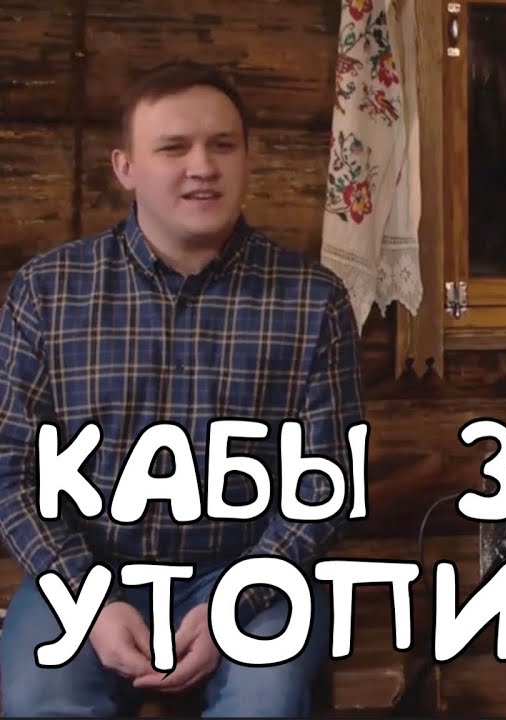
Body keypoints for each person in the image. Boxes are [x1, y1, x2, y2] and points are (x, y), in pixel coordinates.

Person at [0, 60, 364, 716]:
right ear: (125, 167)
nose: (203, 167)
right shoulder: (46, 293)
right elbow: (10, 473)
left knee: (265, 702)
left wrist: (240, 597)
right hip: (88, 570)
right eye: (173, 148)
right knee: (39, 699)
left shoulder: (314, 301)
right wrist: (87, 598)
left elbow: (325, 484)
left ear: (247, 159)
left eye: (222, 145)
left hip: (253, 574)